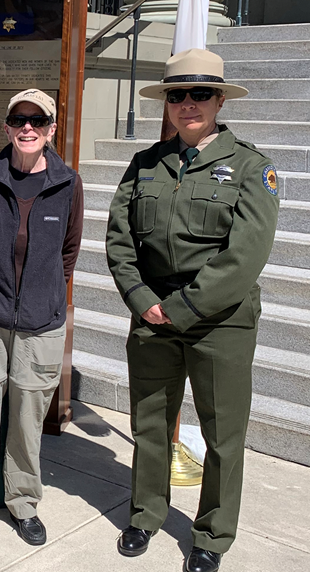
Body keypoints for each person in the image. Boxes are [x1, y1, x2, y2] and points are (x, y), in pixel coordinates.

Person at [106, 49, 280, 572]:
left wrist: (179, 308)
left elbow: (243, 257)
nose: (188, 104)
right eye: (177, 95)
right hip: (152, 315)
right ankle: (145, 513)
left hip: (219, 322)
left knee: (222, 434)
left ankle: (212, 534)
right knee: (150, 424)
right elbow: (119, 241)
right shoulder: (145, 165)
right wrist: (143, 302)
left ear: (220, 99)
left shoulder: (253, 167)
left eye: (200, 93)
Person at [0, 89, 83, 546]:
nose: (28, 128)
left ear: (51, 129)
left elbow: (68, 253)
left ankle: (23, 502)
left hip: (41, 326)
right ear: (6, 127)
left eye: (38, 121)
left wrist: (44, 297)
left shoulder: (69, 183)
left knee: (27, 421)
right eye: (19, 120)